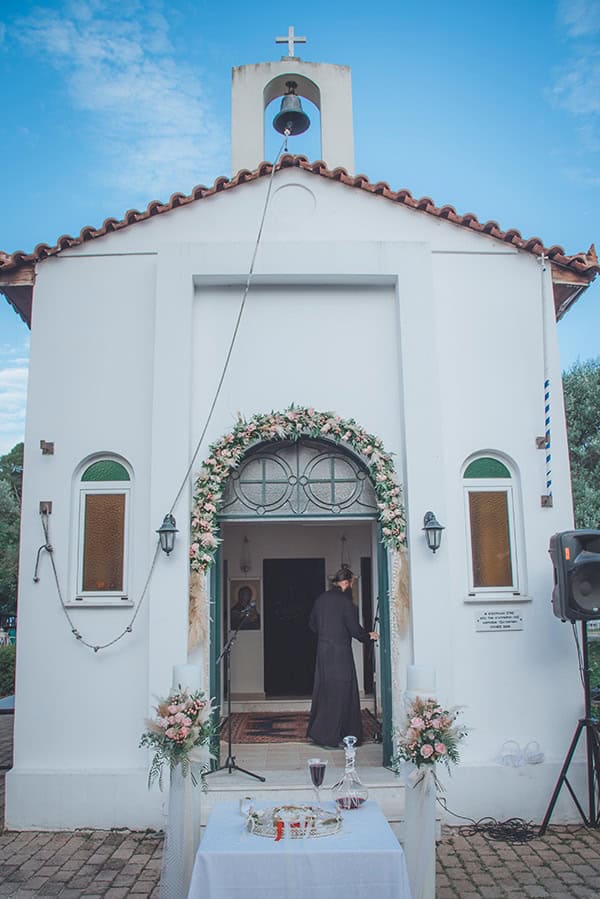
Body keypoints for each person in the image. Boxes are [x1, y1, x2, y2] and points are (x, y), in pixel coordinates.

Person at [307, 567, 378, 749]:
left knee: (325, 691)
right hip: (340, 653)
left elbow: (312, 624)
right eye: (352, 583)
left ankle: (320, 734)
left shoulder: (321, 599)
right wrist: (368, 636)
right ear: (346, 583)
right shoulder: (347, 603)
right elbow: (354, 630)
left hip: (323, 652)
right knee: (342, 692)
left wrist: (326, 635)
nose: (352, 586)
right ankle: (336, 736)